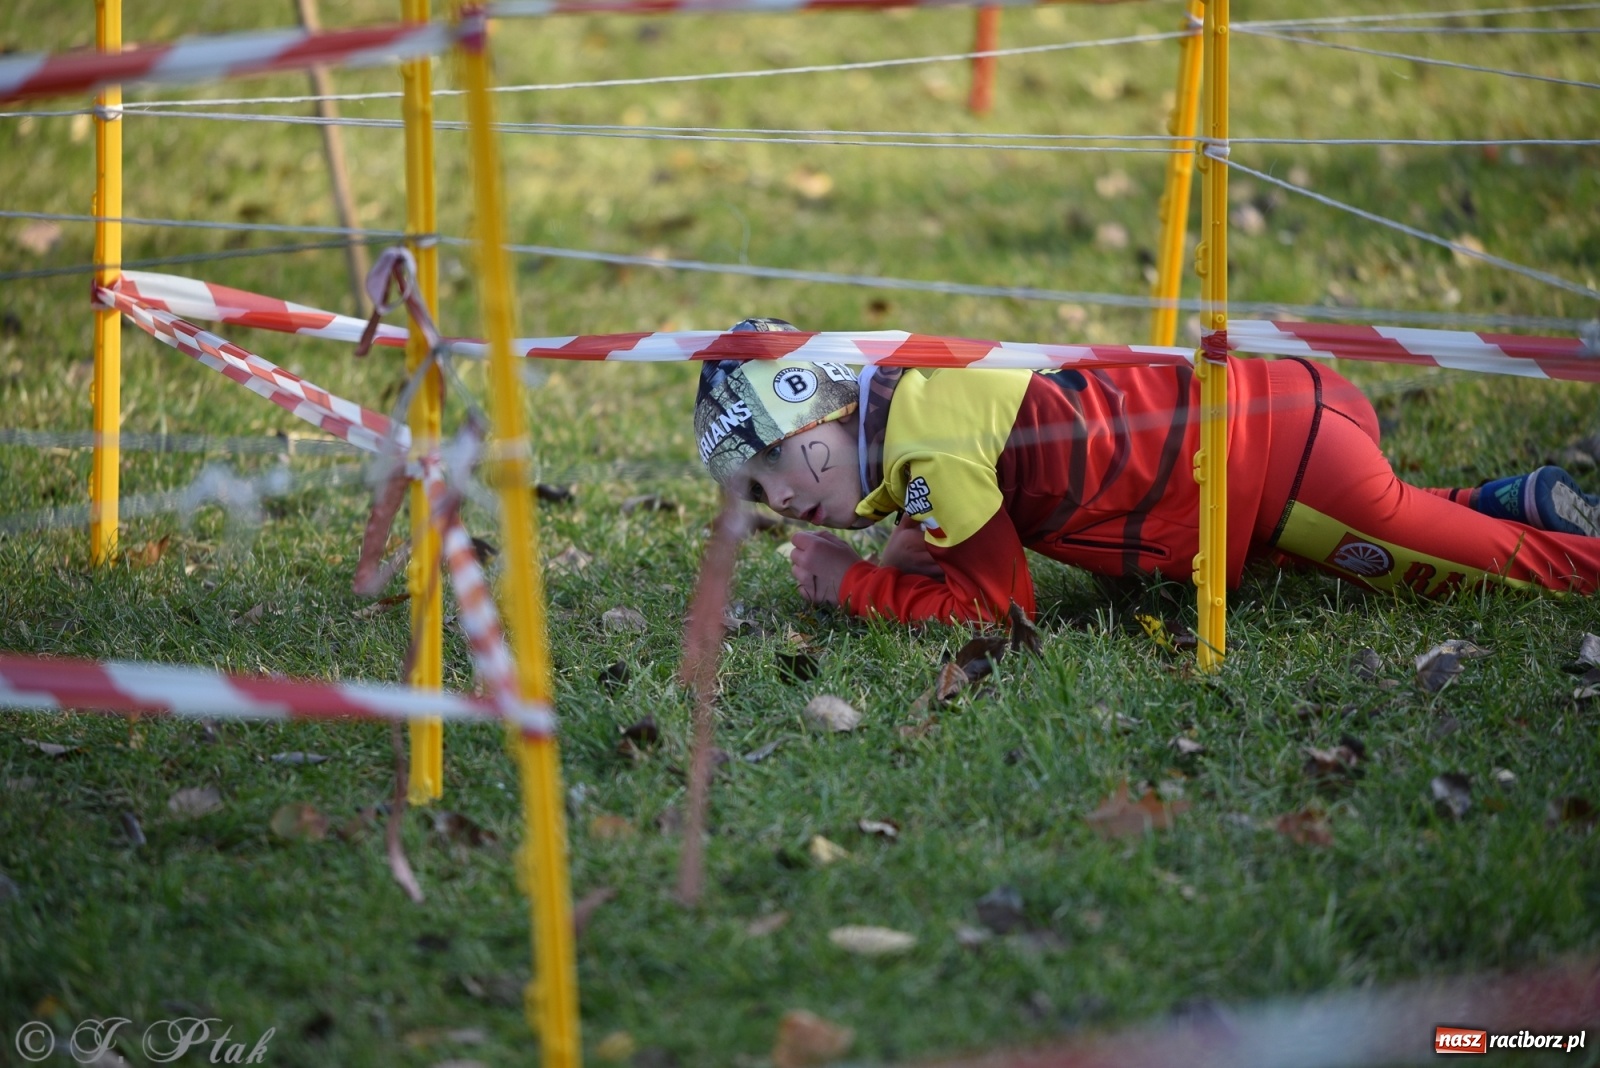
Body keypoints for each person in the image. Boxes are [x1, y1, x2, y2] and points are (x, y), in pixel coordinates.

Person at [694, 318, 1600, 624]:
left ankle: (1549, 544)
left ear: (832, 412)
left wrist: (854, 586)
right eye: (754, 489)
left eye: (771, 463)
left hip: (1286, 479)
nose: (777, 500)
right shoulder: (920, 401)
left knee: (1513, 579)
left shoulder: (929, 460)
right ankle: (1508, 500)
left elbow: (999, 611)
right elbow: (945, 508)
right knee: (1420, 527)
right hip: (1281, 436)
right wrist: (891, 552)